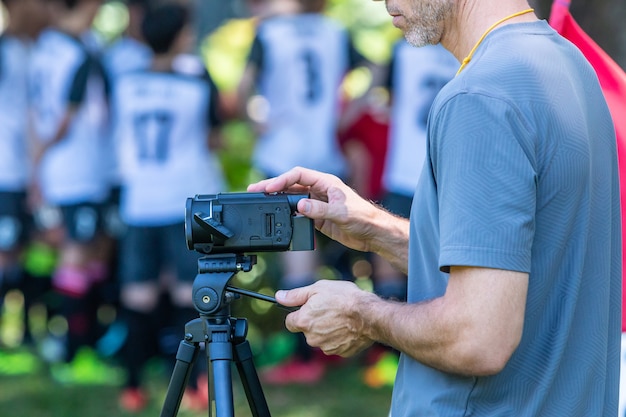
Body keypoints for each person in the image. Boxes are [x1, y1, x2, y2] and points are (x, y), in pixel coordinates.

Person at [247, 0, 621, 415]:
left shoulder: (480, 95)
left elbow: (478, 337)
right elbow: (516, 270)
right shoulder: (566, 62)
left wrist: (362, 313)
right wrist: (376, 228)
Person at [237, 0, 373, 384]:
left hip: (282, 156)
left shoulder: (268, 32)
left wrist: (255, 120)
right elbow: (375, 70)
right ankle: (336, 345)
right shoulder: (334, 30)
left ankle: (305, 353)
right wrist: (348, 113)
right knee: (334, 243)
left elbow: (244, 86)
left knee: (297, 254)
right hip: (325, 153)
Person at [110, 1, 225, 412]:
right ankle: (194, 386)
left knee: (137, 295)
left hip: (139, 200)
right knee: (187, 292)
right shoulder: (196, 82)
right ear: (180, 36)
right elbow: (216, 137)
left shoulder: (124, 83)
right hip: (184, 202)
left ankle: (132, 386)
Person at [28, 0, 110, 362]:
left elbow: (35, 114)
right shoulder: (74, 51)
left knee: (84, 252)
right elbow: (66, 115)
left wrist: (38, 163)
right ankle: (71, 350)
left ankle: (80, 343)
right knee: (75, 255)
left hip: (64, 169)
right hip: (76, 171)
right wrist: (45, 153)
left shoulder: (44, 47)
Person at [371, 40, 457, 303]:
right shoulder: (467, 49)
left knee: (386, 253)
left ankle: (392, 334)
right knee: (446, 264)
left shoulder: (403, 50)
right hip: (448, 177)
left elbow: (382, 100)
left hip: (406, 173)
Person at [0, 0, 50, 344]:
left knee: (32, 248)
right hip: (5, 172)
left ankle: (33, 331)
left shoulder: (31, 49)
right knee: (6, 251)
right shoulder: (6, 51)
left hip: (26, 172)